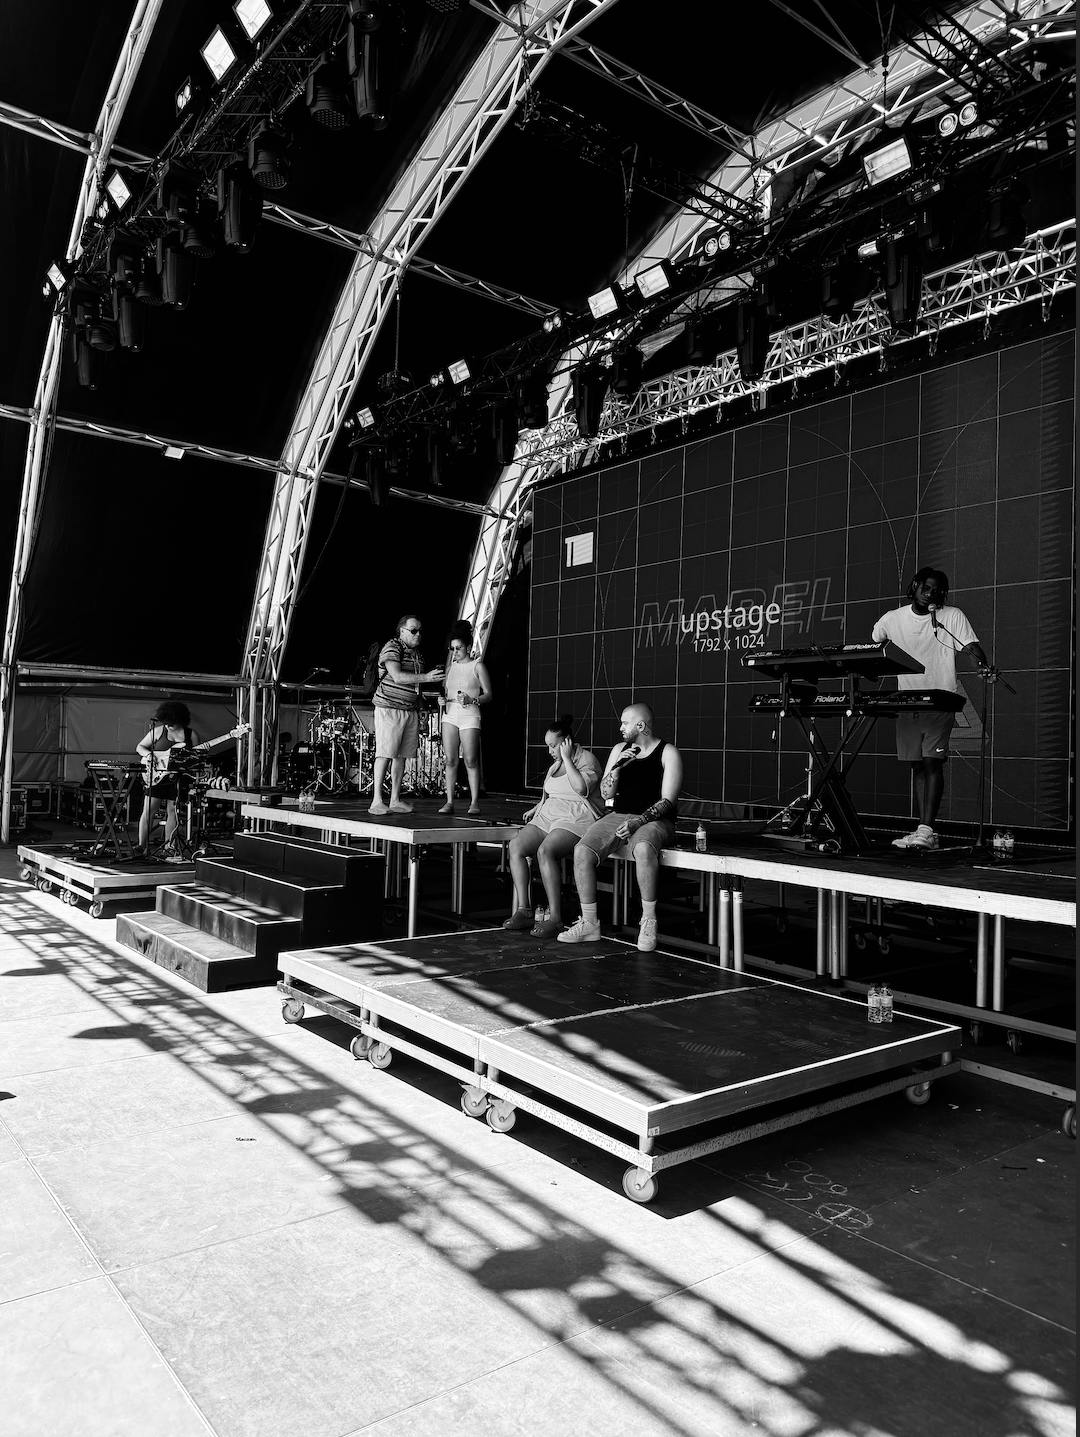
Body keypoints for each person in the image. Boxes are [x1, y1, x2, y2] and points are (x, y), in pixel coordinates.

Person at [872, 566, 995, 850]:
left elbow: (971, 646)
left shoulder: (951, 616)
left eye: (938, 590)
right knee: (917, 765)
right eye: (926, 588)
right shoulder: (893, 618)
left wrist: (982, 666)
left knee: (932, 762)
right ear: (914, 587)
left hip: (940, 699)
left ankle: (926, 830)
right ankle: (924, 829)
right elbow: (875, 639)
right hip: (908, 702)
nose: (932, 594)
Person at [558, 702, 682, 952]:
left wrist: (638, 821)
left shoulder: (668, 752)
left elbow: (668, 801)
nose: (621, 727)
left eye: (625, 722)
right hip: (619, 814)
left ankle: (648, 920)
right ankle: (590, 922)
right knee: (582, 851)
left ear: (641, 725)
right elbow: (606, 794)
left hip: (656, 819)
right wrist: (616, 770)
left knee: (644, 849)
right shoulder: (619, 750)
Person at [503, 715, 602, 938]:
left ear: (566, 742)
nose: (550, 751)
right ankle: (524, 909)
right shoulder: (554, 765)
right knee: (516, 846)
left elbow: (582, 789)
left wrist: (567, 758)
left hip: (575, 817)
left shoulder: (587, 759)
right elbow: (550, 793)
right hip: (548, 816)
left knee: (545, 851)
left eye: (553, 746)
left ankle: (555, 918)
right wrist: (536, 808)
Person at [134, 700, 229, 859]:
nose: (169, 726)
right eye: (167, 723)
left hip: (179, 779)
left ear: (180, 720)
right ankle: (141, 846)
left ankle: (169, 848)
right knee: (149, 810)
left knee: (173, 812)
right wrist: (148, 755)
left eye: (172, 723)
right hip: (156, 776)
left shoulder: (191, 735)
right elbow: (139, 747)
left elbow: (195, 759)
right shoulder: (158, 731)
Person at [370, 614, 444, 815]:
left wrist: (421, 705)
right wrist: (427, 677)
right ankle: (376, 800)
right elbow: (397, 676)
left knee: (402, 756)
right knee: (385, 753)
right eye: (413, 630)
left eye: (420, 630)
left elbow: (415, 684)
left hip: (409, 710)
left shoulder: (417, 654)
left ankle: (395, 799)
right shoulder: (393, 647)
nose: (418, 634)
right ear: (401, 631)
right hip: (389, 707)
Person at [438, 619, 492, 816]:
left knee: (470, 759)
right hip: (450, 714)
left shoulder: (477, 666)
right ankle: (449, 801)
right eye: (452, 648)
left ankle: (475, 801)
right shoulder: (450, 667)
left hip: (470, 715)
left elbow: (489, 695)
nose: (455, 652)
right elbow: (446, 693)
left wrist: (472, 699)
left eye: (458, 648)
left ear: (468, 647)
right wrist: (442, 701)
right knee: (450, 759)